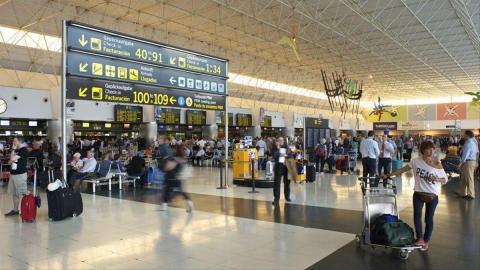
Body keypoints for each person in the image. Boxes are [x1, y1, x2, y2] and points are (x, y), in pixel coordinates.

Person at [384, 141, 448, 251]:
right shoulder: (415, 162)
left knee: (429, 219)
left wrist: (436, 179)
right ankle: (419, 238)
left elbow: (445, 180)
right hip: (418, 193)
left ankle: (426, 241)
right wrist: (389, 174)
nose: (431, 151)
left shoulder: (437, 163)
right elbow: (402, 170)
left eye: (432, 149)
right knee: (417, 216)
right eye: (428, 149)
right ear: (422, 150)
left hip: (432, 196)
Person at [160, 145, 193, 212]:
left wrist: (164, 167)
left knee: (166, 191)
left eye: (172, 149)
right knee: (182, 192)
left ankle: (164, 206)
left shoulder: (172, 158)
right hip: (179, 178)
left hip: (170, 178)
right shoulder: (183, 158)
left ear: (175, 150)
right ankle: (190, 204)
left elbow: (167, 167)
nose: (172, 150)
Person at [4, 137, 29, 217]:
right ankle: (15, 210)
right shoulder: (17, 150)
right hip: (13, 174)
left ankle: (27, 210)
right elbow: (10, 162)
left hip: (20, 175)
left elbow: (10, 161)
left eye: (15, 141)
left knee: (23, 192)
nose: (13, 142)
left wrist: (11, 159)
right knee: (14, 193)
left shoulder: (24, 150)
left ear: (19, 141)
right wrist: (13, 149)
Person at [456, 130, 478, 199]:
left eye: (464, 134)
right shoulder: (472, 142)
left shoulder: (469, 143)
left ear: (467, 135)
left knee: (469, 178)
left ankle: (471, 195)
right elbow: (477, 152)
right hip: (471, 161)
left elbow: (466, 154)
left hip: (469, 162)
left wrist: (461, 163)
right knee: (464, 178)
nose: (463, 135)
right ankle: (462, 192)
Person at [271, 137, 291, 205]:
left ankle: (287, 196)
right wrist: (278, 148)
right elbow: (274, 155)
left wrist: (285, 155)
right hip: (278, 167)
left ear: (284, 141)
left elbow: (289, 154)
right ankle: (276, 198)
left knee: (287, 182)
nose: (280, 141)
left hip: (286, 167)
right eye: (279, 140)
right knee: (277, 183)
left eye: (282, 140)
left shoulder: (287, 146)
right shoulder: (274, 147)